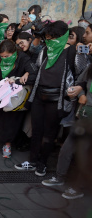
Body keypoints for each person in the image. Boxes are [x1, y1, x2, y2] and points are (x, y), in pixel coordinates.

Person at [15, 21, 88, 176]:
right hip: (39, 96)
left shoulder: (74, 52)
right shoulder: (46, 50)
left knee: (50, 133)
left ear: (62, 37)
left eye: (52, 38)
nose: (49, 41)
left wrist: (78, 89)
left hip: (57, 99)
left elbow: (83, 74)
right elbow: (37, 66)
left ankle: (42, 164)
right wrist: (28, 72)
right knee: (36, 131)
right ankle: (33, 160)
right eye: (47, 38)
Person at [41, 64, 91, 199]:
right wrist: (81, 93)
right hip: (85, 116)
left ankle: (78, 188)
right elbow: (81, 82)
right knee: (67, 148)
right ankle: (59, 177)